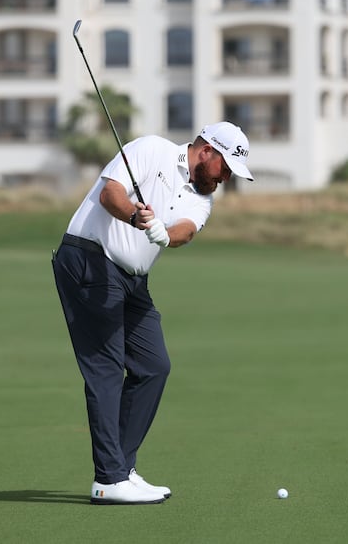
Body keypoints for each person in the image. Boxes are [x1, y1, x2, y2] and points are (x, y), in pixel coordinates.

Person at [51, 121, 254, 505]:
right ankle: (108, 478)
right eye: (225, 167)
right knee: (107, 368)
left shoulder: (204, 195)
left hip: (131, 280)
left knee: (154, 365)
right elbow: (110, 194)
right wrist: (134, 216)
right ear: (206, 150)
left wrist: (164, 232)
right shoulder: (151, 149)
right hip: (90, 260)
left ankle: (121, 469)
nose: (226, 178)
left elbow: (187, 230)